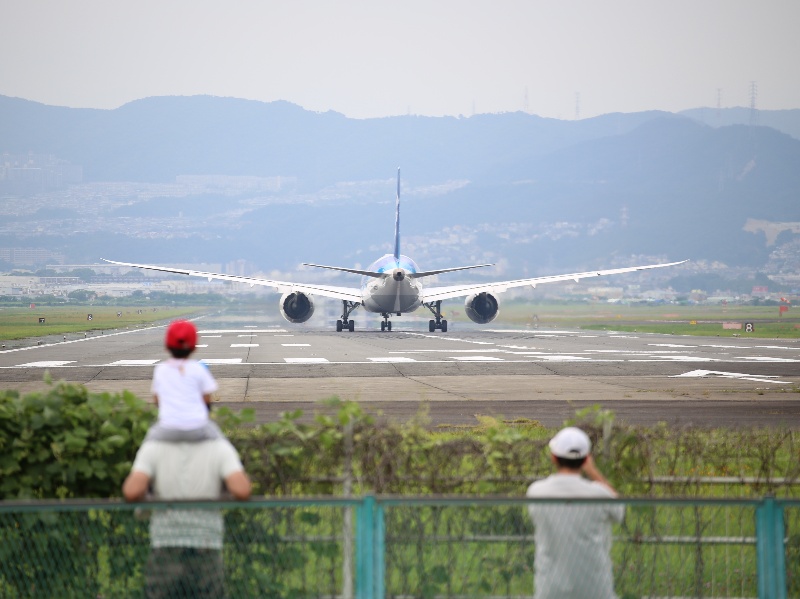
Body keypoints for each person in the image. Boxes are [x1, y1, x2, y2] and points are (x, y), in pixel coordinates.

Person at [122, 419, 252, 597]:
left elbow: (132, 490)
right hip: (206, 544)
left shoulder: (154, 445)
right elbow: (242, 488)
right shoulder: (218, 446)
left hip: (166, 544)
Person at [526, 427, 625, 599]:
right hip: (595, 588)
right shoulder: (598, 494)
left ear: (554, 457)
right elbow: (619, 511)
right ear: (586, 459)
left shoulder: (536, 491)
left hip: (550, 588)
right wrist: (593, 472)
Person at [146, 320, 224, 442]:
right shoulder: (199, 368)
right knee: (222, 445)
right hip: (197, 427)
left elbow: (157, 399)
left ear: (167, 346)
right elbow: (207, 399)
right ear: (193, 347)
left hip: (167, 427)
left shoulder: (160, 369)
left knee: (147, 446)